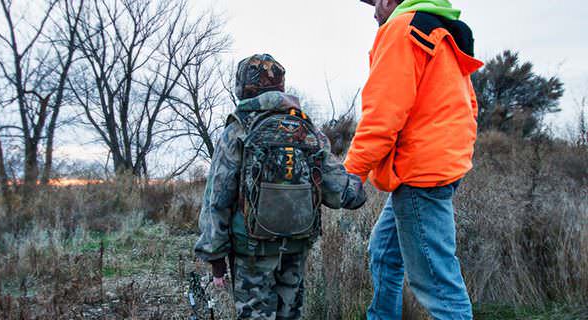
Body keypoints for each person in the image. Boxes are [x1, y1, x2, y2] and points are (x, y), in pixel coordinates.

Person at [194, 53, 367, 319]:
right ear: (281, 87)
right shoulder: (306, 129)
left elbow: (217, 197)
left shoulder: (239, 128)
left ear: (243, 87)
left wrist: (215, 257)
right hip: (296, 246)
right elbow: (343, 192)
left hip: (251, 251)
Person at [345, 0, 484, 319]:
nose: (374, 10)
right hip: (438, 165)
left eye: (376, 1)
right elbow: (470, 107)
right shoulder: (440, 29)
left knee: (438, 286)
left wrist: (352, 172)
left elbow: (382, 115)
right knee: (383, 252)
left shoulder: (402, 28)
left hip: (421, 173)